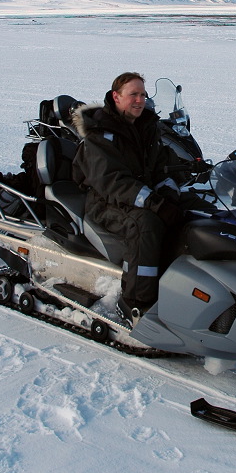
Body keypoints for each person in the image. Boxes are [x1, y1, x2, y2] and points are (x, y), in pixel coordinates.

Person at [71, 72, 185, 325]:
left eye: (143, 94)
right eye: (133, 94)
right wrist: (155, 203)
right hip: (104, 201)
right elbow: (112, 181)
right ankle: (135, 302)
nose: (139, 100)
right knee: (145, 225)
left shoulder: (146, 128)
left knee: (188, 211)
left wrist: (169, 193)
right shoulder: (100, 134)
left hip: (137, 194)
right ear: (116, 97)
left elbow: (163, 166)